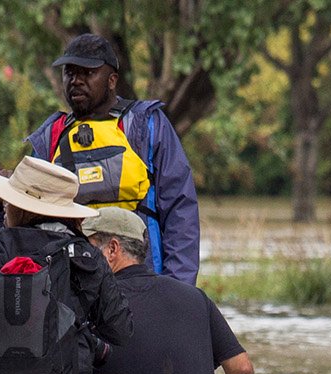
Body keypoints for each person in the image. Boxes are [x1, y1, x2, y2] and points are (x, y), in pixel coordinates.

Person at [0, 156, 149, 374]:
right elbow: (120, 330)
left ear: (22, 207)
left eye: (8, 200)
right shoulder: (86, 255)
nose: (3, 206)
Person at [26, 33, 201, 285]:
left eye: (87, 73)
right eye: (70, 73)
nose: (76, 80)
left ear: (111, 80)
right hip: (74, 282)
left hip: (143, 279)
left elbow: (180, 209)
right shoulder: (51, 136)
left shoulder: (145, 125)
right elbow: (28, 213)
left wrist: (178, 287)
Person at [83, 207, 255, 374]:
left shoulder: (90, 300)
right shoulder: (196, 298)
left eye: (87, 247)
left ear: (112, 249)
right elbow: (242, 369)